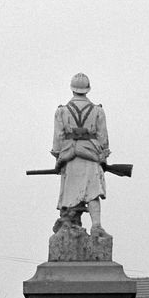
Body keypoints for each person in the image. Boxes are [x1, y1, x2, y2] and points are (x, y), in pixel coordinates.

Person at [51, 73, 110, 233]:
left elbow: (58, 138)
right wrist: (103, 156)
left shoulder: (61, 111)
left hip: (70, 156)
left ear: (72, 90)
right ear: (87, 90)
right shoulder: (98, 111)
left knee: (70, 193)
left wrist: (58, 157)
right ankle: (96, 224)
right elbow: (103, 138)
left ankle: (70, 224)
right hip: (91, 156)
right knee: (93, 192)